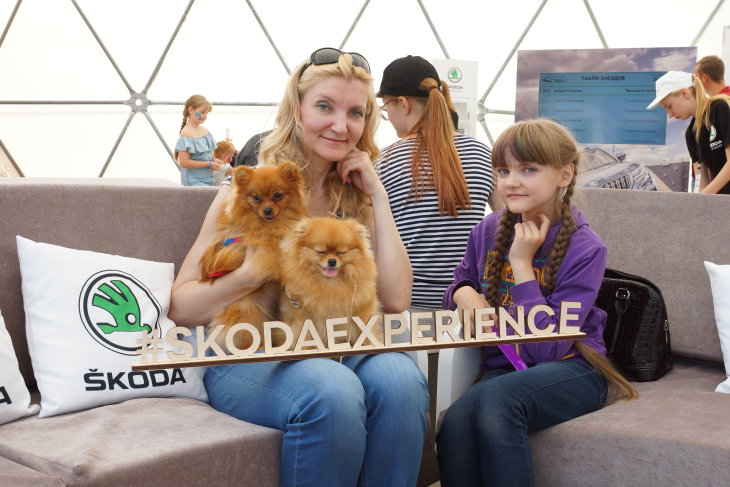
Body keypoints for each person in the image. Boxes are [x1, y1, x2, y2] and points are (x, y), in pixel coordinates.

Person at [169, 48, 429, 487]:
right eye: (325, 106)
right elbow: (180, 306)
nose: (341, 125)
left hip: (332, 341)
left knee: (402, 380)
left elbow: (397, 297)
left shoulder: (355, 196)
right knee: (333, 389)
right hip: (248, 350)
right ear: (298, 109)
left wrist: (378, 196)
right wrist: (251, 274)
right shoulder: (251, 189)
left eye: (356, 112)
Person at [435, 118, 638, 487]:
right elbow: (457, 291)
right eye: (503, 170)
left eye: (528, 169)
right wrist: (462, 292)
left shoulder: (586, 248)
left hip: (574, 367)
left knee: (496, 403)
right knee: (455, 422)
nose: (511, 181)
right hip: (505, 369)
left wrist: (521, 264)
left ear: (564, 175)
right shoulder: (486, 231)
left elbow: (547, 349)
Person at [375, 55, 500, 314]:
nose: (388, 115)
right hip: (467, 305)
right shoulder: (483, 154)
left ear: (403, 104)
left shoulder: (385, 161)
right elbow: (508, 221)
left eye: (386, 107)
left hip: (405, 309)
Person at [648, 71, 730, 194]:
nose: (670, 115)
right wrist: (701, 201)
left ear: (684, 93)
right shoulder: (691, 134)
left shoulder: (721, 108)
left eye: (669, 106)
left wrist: (704, 196)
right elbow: (702, 183)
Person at [174, 94, 223, 186]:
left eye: (207, 113)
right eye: (202, 112)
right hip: (194, 182)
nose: (205, 116)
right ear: (191, 110)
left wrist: (214, 160)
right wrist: (208, 164)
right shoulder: (186, 134)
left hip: (208, 180)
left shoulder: (205, 131)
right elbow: (184, 163)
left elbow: (204, 156)